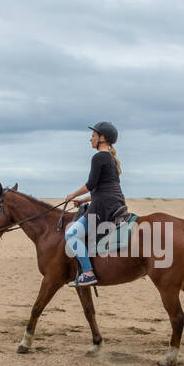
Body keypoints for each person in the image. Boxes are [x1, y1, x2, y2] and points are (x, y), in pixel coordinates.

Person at [64, 122, 126, 288]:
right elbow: (103, 188)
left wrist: (72, 195)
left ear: (102, 138)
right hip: (113, 202)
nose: (90, 139)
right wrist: (83, 200)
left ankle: (88, 273)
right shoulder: (111, 159)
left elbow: (90, 184)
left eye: (93, 136)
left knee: (70, 235)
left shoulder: (99, 157)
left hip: (102, 207)